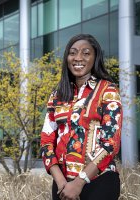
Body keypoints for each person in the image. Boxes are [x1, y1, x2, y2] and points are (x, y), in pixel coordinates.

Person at [40, 34, 122, 200]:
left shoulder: (108, 91)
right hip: (62, 185)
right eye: (73, 53)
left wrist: (79, 182)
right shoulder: (57, 95)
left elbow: (110, 144)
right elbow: (46, 141)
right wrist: (61, 182)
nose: (78, 58)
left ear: (95, 57)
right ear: (67, 58)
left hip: (99, 182)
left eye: (86, 53)